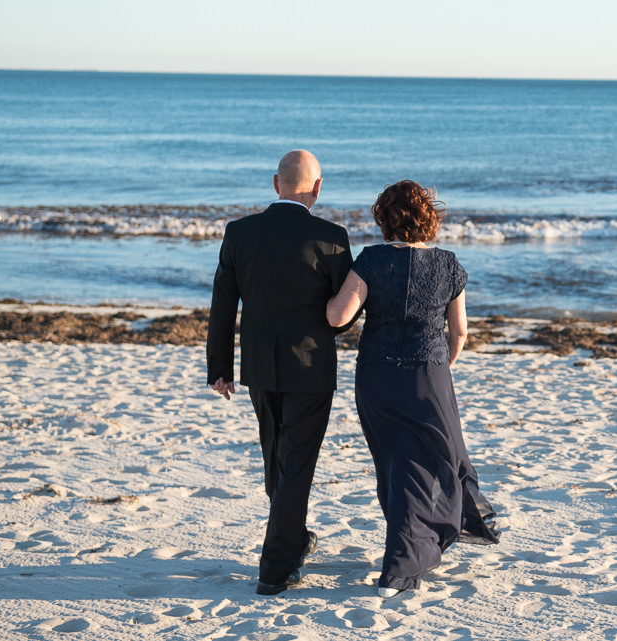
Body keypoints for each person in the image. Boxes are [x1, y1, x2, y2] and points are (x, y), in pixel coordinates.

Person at [327, 180, 499, 599]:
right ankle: (403, 565)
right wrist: (443, 364)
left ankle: (408, 551)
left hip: (375, 376)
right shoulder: (449, 265)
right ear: (429, 219)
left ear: (385, 219)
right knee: (434, 461)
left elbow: (336, 318)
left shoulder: (370, 261)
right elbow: (459, 332)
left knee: (394, 463)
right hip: (429, 375)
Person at [206, 150, 354, 596]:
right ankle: (275, 567)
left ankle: (293, 538)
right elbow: (344, 316)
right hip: (310, 366)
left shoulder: (240, 232)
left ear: (276, 185)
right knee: (295, 463)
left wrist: (220, 368)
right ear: (318, 187)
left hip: (259, 365)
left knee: (276, 456)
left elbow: (222, 305)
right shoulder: (332, 236)